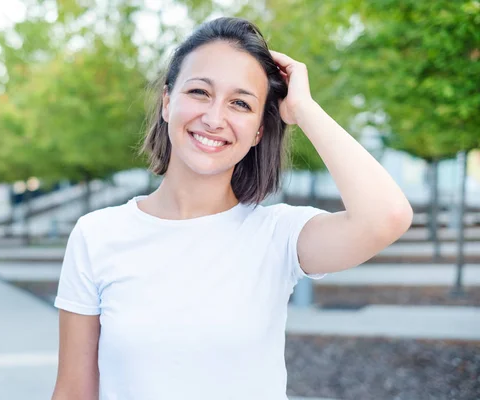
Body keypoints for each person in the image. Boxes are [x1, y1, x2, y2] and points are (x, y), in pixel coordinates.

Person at [51, 17, 413, 400]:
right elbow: (74, 390)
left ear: (259, 130)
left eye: (240, 103)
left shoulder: (279, 235)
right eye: (200, 92)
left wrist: (304, 109)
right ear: (167, 102)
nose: (214, 118)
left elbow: (386, 217)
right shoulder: (97, 234)